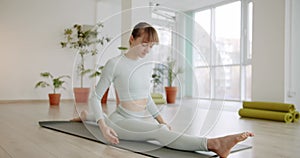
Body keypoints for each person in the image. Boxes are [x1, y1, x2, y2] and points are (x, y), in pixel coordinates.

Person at [71, 22, 254, 158]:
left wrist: (162, 119)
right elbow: (95, 96)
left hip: (135, 119)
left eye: (151, 46)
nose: (147, 50)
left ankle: (87, 116)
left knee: (161, 126)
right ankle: (214, 144)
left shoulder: (145, 66)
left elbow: (146, 97)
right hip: (120, 121)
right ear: (132, 39)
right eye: (144, 44)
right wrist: (103, 126)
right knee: (158, 132)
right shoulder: (114, 64)